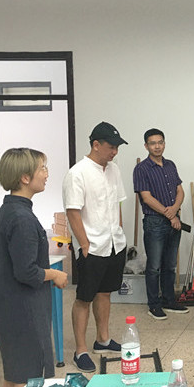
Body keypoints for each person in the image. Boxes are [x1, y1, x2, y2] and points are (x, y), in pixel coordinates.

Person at [0, 148, 68, 387]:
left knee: (12, 381)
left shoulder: (11, 210)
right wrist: (55, 273)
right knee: (25, 386)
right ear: (25, 178)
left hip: (12, 309)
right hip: (23, 312)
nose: (46, 174)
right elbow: (26, 271)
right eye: (42, 169)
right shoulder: (21, 218)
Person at [62, 122, 128, 373]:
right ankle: (80, 350)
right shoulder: (77, 173)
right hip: (91, 246)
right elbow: (73, 211)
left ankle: (103, 339)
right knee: (84, 297)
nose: (114, 152)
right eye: (111, 147)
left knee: (105, 293)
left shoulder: (114, 170)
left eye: (117, 148)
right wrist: (84, 244)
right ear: (96, 145)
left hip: (114, 243)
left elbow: (117, 204)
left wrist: (119, 232)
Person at [132, 128, 188, 320]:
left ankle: (169, 301)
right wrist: (170, 214)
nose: (157, 146)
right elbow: (146, 198)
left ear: (164, 143)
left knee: (170, 265)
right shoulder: (141, 169)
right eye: (153, 143)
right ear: (146, 146)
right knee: (154, 266)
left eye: (160, 142)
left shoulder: (170, 165)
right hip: (155, 222)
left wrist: (175, 210)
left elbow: (180, 191)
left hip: (174, 221)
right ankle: (154, 305)